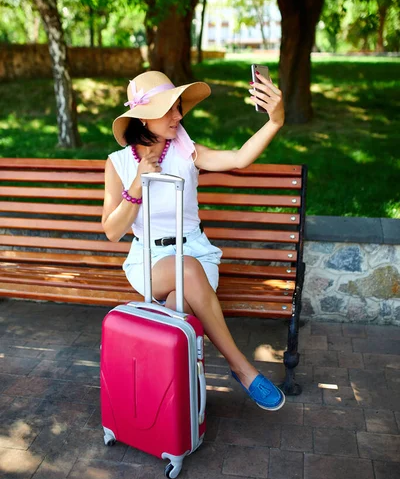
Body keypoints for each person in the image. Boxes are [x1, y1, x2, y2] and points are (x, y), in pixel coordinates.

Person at [102, 69, 286, 411]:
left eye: (178, 106)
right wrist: (138, 185)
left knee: (177, 308)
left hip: (198, 255)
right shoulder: (118, 165)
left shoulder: (188, 153)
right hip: (149, 264)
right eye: (169, 108)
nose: (178, 115)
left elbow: (239, 158)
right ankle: (241, 368)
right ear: (143, 117)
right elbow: (112, 231)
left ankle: (173, 404)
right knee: (185, 272)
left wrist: (275, 121)